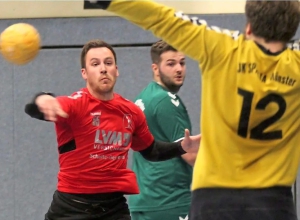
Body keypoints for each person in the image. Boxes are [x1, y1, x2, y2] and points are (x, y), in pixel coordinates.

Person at [84, 1, 300, 220]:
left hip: (214, 198)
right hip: (274, 201)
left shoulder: (221, 48)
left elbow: (163, 18)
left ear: (249, 28)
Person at [24, 39, 201, 220]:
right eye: (95, 64)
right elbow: (34, 108)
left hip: (113, 208)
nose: (103, 68)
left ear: (116, 70)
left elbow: (151, 150)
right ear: (84, 73)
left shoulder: (131, 112)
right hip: (72, 207)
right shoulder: (74, 105)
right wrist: (42, 98)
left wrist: (181, 146)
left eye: (108, 63)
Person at [129, 40, 197, 220]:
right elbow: (189, 154)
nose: (179, 69)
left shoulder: (143, 98)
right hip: (169, 200)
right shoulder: (166, 101)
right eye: (171, 64)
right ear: (155, 68)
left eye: (182, 63)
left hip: (145, 200)